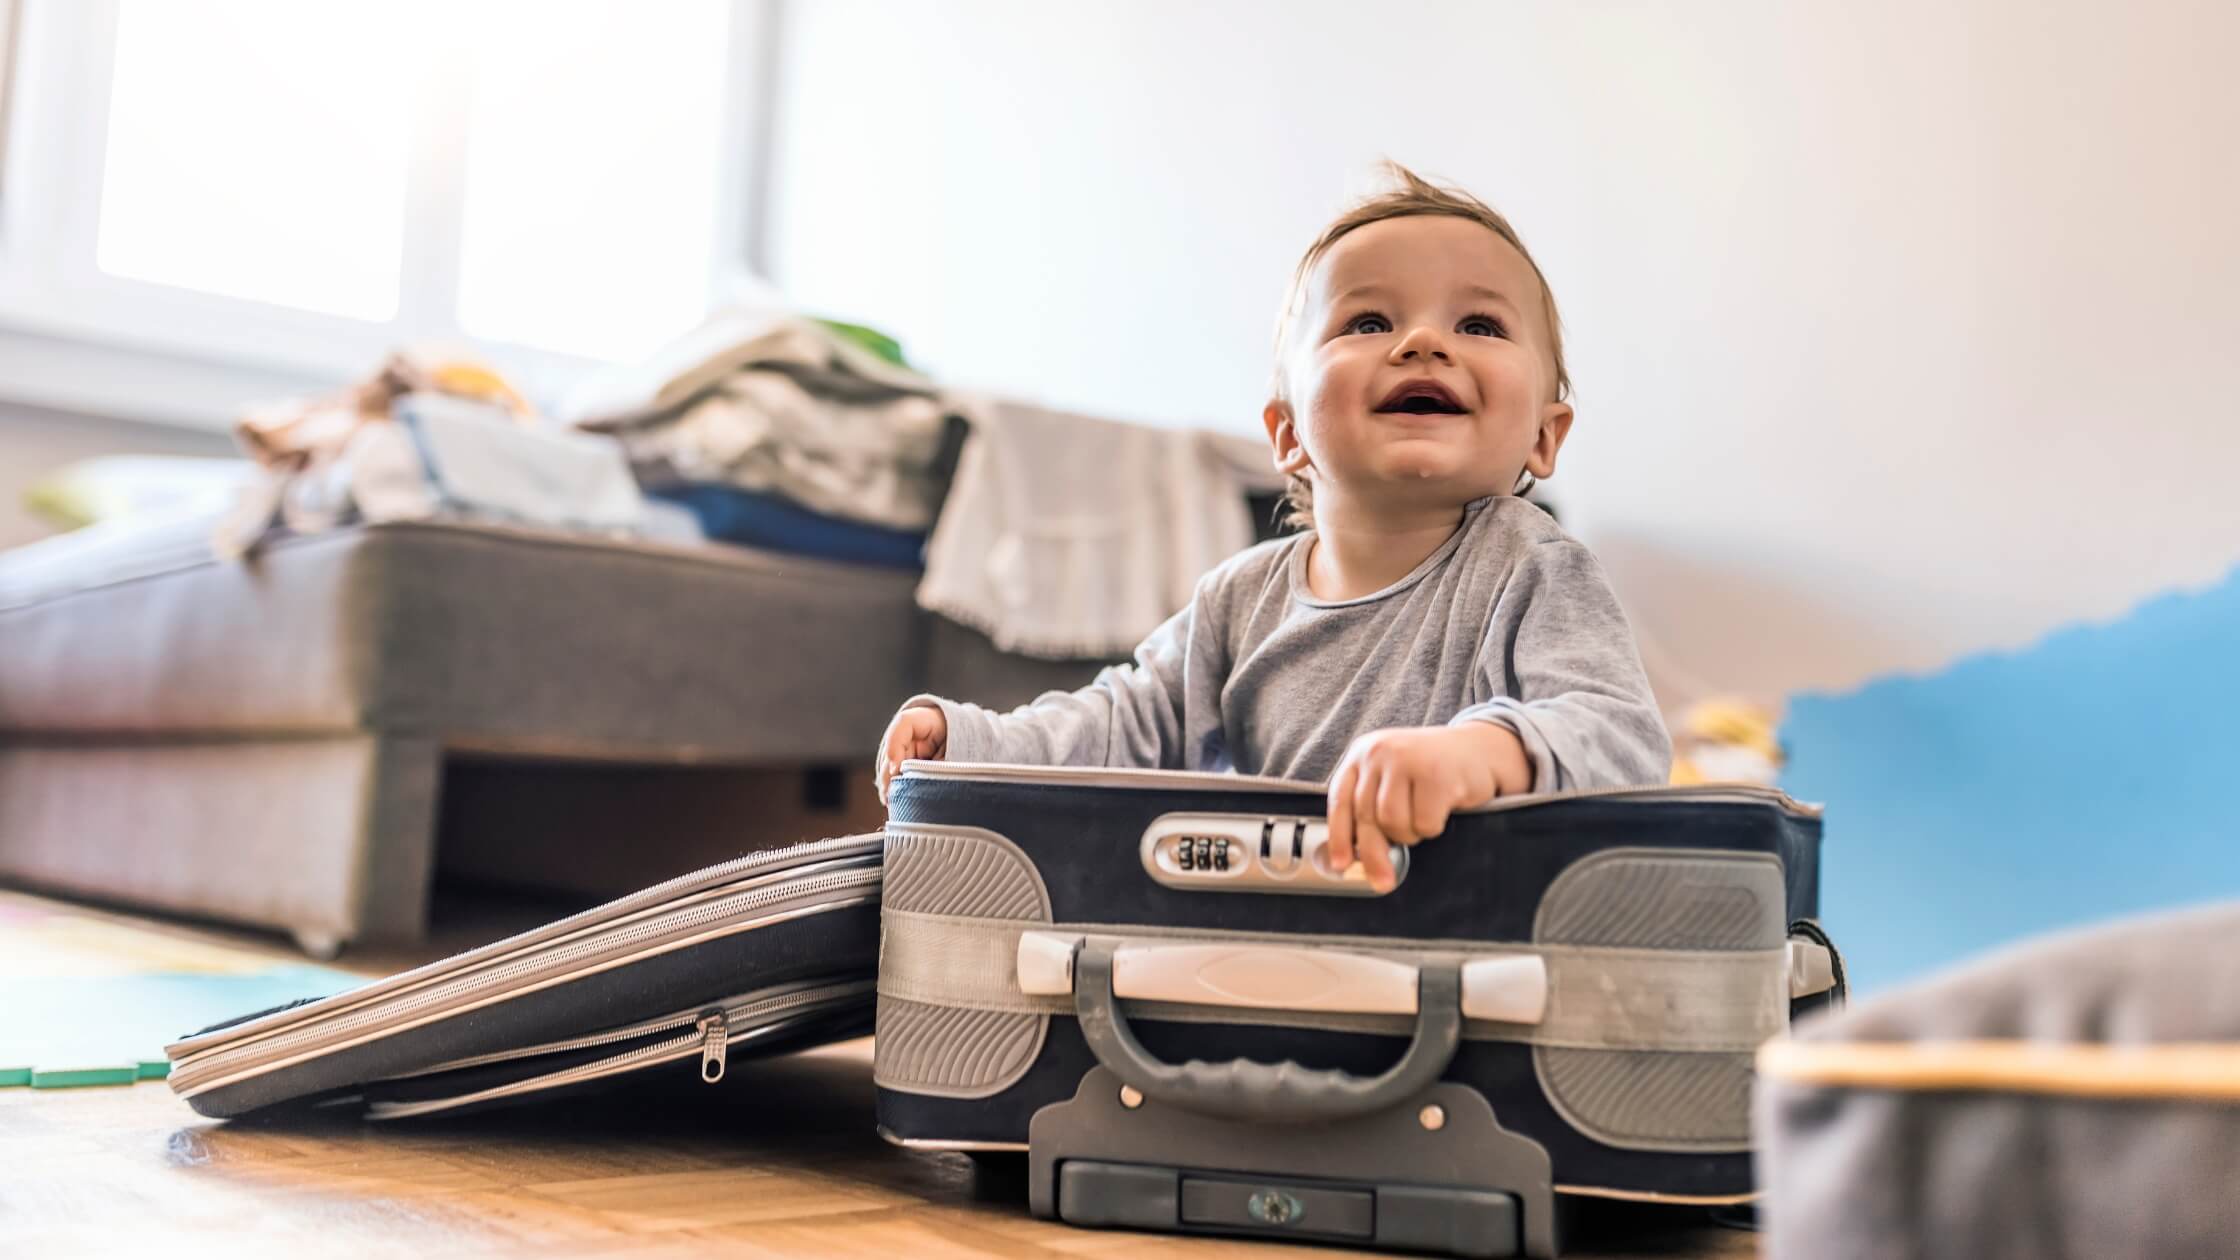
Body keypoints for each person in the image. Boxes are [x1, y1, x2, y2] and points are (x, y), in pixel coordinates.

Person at [877, 162, 1670, 891]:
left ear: (1545, 434)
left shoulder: (1534, 569)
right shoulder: (1239, 599)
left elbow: (1623, 738)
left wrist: (1482, 753)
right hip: (1275, 925)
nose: (1422, 342)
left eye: (1481, 326)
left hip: (1474, 936)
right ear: (1286, 433)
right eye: (1367, 322)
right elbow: (1120, 724)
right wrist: (975, 745)